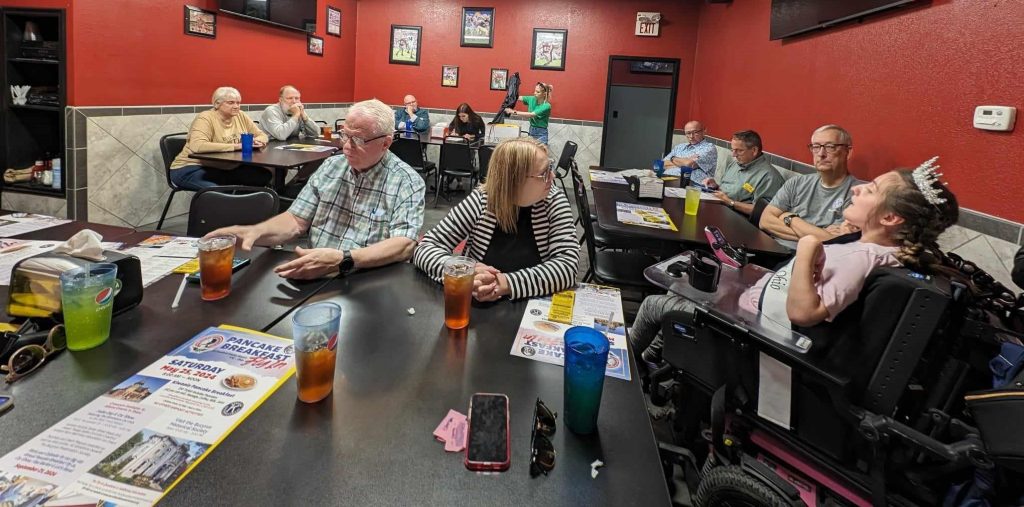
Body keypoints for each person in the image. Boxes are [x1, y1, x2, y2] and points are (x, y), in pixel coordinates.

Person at [630, 157, 959, 361]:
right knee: (679, 290)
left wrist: (806, 246)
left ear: (890, 219)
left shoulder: (860, 257)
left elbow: (802, 312)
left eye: (870, 190)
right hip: (752, 307)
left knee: (655, 305)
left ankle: (631, 361)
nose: (857, 190)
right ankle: (655, 358)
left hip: (753, 332)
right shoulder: (871, 249)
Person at [205, 99, 426, 280]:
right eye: (344, 135)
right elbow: (296, 219)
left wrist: (345, 259)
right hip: (313, 271)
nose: (347, 146)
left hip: (369, 278)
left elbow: (404, 245)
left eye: (357, 139)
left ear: (386, 143)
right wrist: (257, 231)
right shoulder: (331, 166)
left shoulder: (406, 181)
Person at [413, 138, 579, 301]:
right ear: (515, 180)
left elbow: (568, 265)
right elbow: (426, 247)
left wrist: (506, 283)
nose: (552, 176)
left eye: (550, 167)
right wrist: (464, 273)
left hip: (533, 309)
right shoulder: (482, 200)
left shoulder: (554, 201)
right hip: (480, 312)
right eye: (544, 173)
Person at [759, 125, 863, 248]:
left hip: (813, 260)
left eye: (830, 147)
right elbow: (764, 221)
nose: (821, 154)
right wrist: (818, 234)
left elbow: (833, 241)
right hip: (773, 249)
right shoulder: (797, 182)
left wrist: (788, 217)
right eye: (816, 146)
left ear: (848, 152)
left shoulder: (859, 194)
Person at [169, 86, 270, 191]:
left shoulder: (240, 115)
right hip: (190, 168)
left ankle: (245, 206)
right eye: (230, 103)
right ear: (217, 104)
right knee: (221, 192)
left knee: (262, 176)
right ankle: (230, 204)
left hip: (223, 168)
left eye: (238, 103)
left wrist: (258, 141)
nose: (236, 106)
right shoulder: (205, 118)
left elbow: (262, 135)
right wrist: (236, 146)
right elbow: (197, 146)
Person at [703, 130, 785, 216]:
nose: (733, 155)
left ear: (754, 150)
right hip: (718, 206)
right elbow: (727, 190)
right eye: (733, 150)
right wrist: (714, 185)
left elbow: (763, 211)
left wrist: (731, 202)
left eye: (739, 151)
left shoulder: (768, 176)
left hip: (737, 218)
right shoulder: (736, 163)